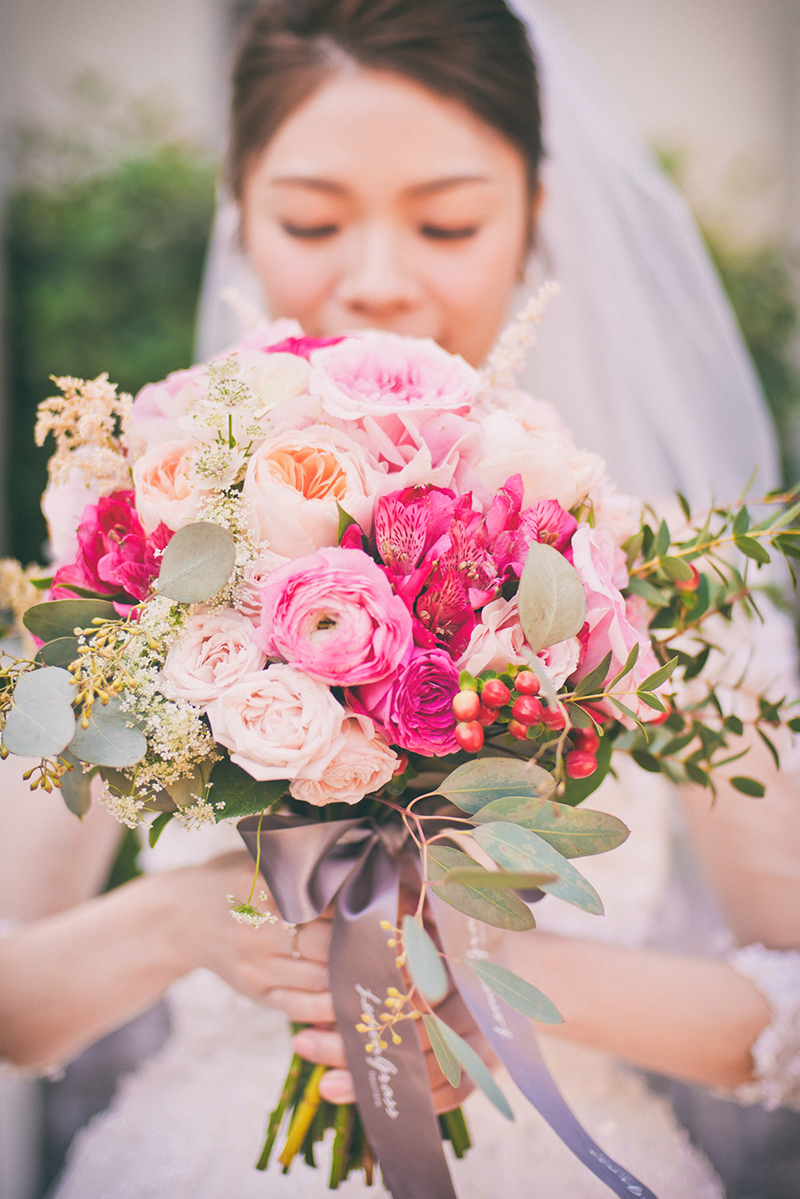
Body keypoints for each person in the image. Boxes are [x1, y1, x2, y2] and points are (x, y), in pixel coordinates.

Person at [2, 1, 797, 1196]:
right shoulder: (141, 535)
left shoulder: (652, 566)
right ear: (239, 210)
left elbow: (782, 1008)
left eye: (447, 220)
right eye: (312, 218)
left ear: (535, 211)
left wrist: (480, 966)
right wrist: (182, 922)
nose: (375, 278)